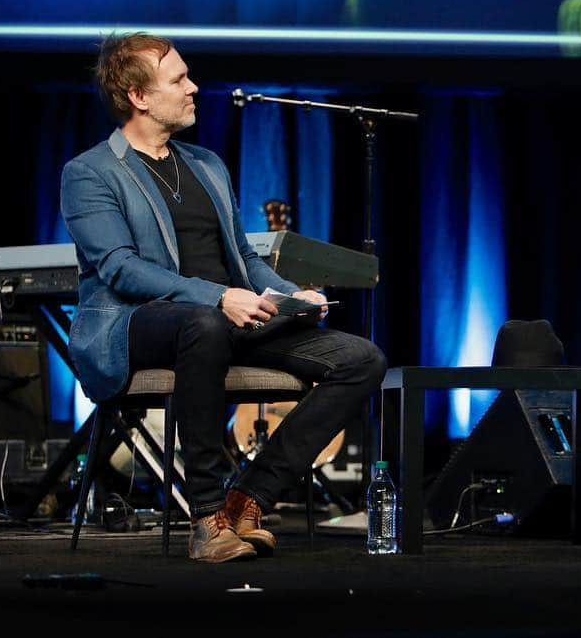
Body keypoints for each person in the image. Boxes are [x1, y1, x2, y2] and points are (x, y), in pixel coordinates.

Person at [60, 33, 387, 563]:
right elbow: (120, 269)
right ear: (139, 97)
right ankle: (206, 517)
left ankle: (249, 496)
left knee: (361, 360)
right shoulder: (90, 172)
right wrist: (219, 299)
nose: (194, 87)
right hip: (135, 323)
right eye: (179, 80)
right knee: (202, 326)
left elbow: (244, 258)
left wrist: (290, 294)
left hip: (223, 318)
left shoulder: (207, 164)